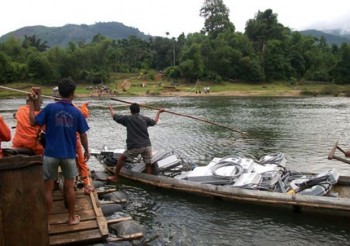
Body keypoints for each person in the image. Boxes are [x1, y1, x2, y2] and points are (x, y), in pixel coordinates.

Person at [28, 78, 90, 226]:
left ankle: (47, 222)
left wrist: (31, 103)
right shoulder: (76, 112)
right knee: (70, 187)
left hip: (50, 154)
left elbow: (32, 122)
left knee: (48, 188)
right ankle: (71, 218)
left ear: (59, 93)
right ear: (72, 94)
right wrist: (87, 150)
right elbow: (83, 134)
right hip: (69, 155)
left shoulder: (50, 108)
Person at [107, 103, 164, 183]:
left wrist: (110, 108)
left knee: (121, 159)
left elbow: (114, 116)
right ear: (139, 110)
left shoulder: (127, 118)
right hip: (147, 146)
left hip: (135, 147)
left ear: (131, 111)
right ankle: (150, 181)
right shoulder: (145, 119)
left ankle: (115, 177)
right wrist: (158, 113)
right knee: (148, 164)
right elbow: (154, 122)